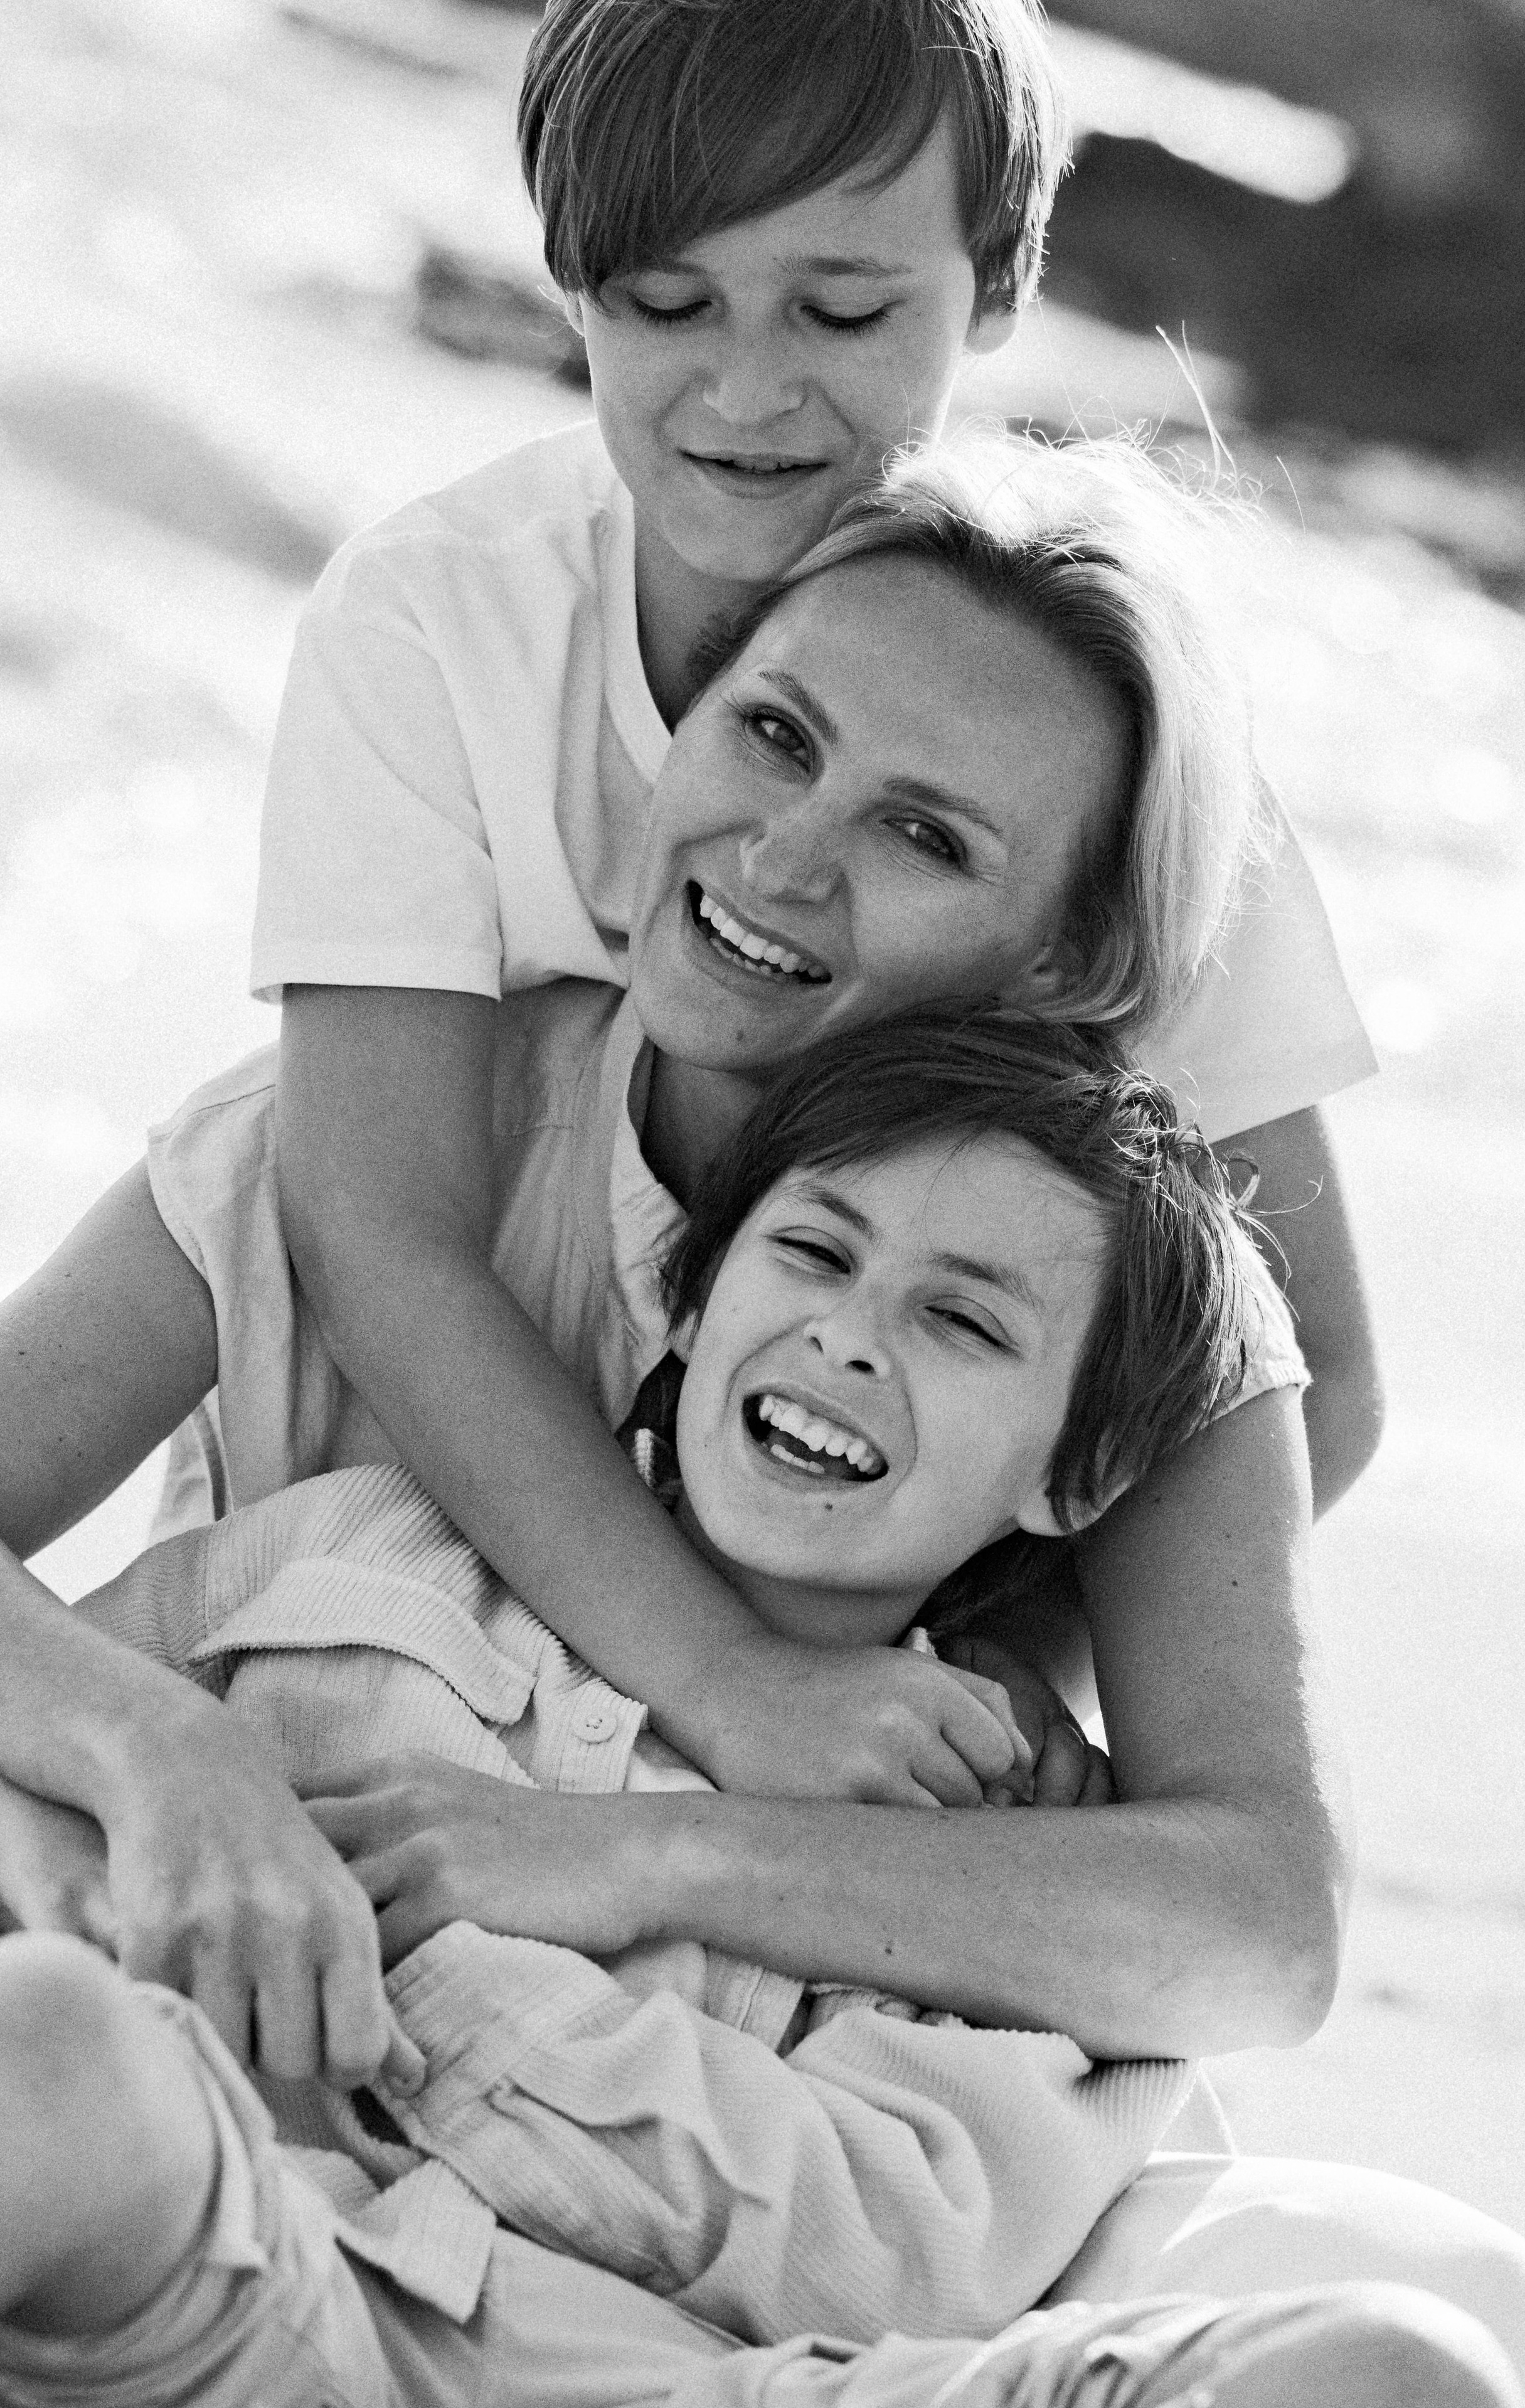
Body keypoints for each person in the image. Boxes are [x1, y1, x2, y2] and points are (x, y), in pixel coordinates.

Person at [0, 444, 1525, 2380]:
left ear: (1067, 957)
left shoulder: (1126, 1322)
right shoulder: (378, 1174)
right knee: (38, 2045)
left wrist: (643, 1849)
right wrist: (150, 1760)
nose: (780, 858)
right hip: (220, 2173)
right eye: (773, 733)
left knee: (1411, 2342)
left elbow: (1257, 1926)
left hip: (682, 2276)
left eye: (926, 835)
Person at [0, 1013, 1514, 2408]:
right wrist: (38, 1808)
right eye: (813, 1252)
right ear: (687, 1305)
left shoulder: (1015, 1848)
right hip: (231, 2267)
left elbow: (870, 2258)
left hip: (671, 2380)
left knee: (1395, 2369)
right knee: (46, 2037)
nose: (846, 1336)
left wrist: (423, 1956)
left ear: (1075, 1476)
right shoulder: (354, 1548)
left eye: (961, 1321)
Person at [248, 0, 1381, 1860]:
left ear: (996, 281)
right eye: (664, 302)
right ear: (571, 280)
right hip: (413, 1577)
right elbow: (379, 1233)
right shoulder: (443, 623)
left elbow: (1298, 1353)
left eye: (841, 313)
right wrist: (722, 1678)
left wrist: (968, 1666)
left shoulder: (1117, 738)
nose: (748, 395)